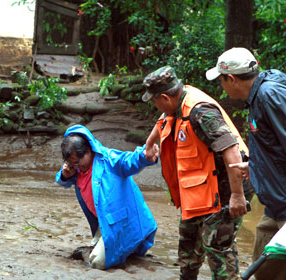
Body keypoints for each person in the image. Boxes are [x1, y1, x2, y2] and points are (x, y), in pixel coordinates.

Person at [142, 66, 253, 280]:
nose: (156, 107)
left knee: (218, 250)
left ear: (164, 96)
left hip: (227, 189)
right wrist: (149, 144)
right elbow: (164, 119)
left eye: (154, 101)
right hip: (198, 193)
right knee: (188, 248)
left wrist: (237, 196)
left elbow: (231, 150)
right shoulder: (176, 103)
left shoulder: (201, 112)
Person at [206, 47, 286, 280]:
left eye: (221, 80)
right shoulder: (259, 96)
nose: (221, 86)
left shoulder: (269, 95)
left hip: (283, 204)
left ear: (230, 78)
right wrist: (255, 168)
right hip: (274, 204)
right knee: (264, 271)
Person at [55, 124, 159, 269]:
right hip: (104, 221)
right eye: (71, 164)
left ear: (87, 151)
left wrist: (145, 156)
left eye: (77, 162)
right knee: (102, 254)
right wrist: (65, 175)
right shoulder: (76, 166)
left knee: (97, 262)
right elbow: (61, 180)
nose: (76, 167)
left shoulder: (109, 160)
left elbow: (129, 160)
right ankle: (97, 246)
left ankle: (91, 250)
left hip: (124, 221)